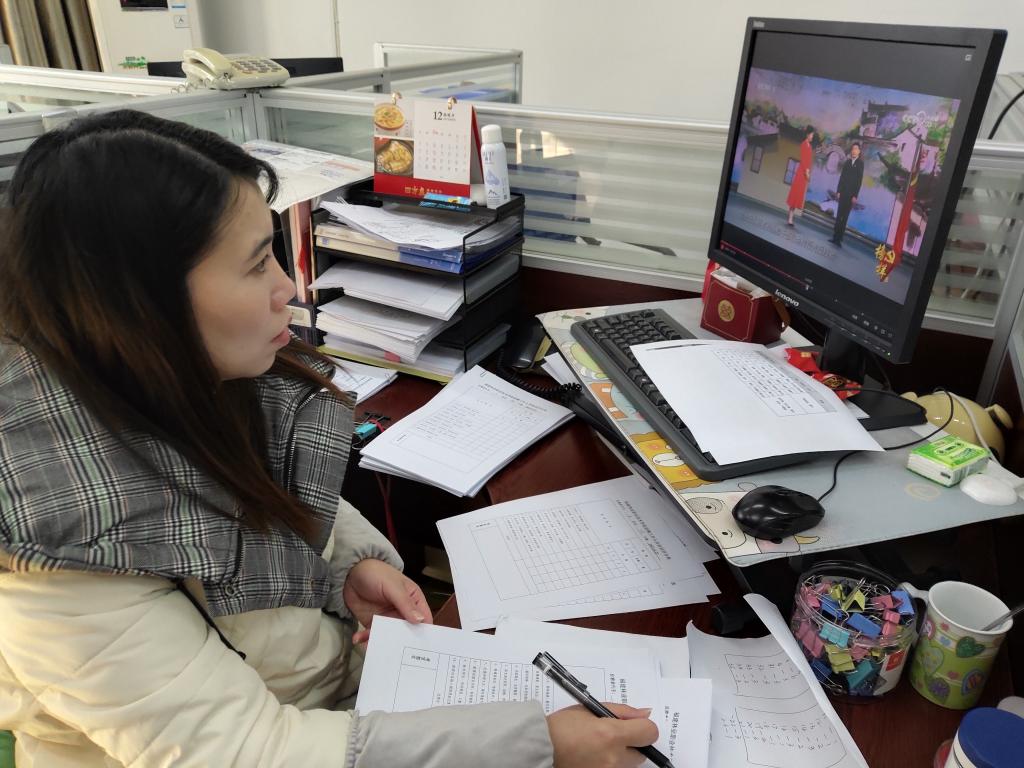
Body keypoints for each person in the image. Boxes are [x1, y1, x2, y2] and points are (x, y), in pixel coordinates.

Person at [0, 111, 659, 767]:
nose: (287, 287)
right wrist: (539, 748)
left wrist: (347, 566)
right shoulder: (60, 551)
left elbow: (261, 494)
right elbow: (251, 754)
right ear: (140, 304)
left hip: (327, 691)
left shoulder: (178, 382)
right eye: (256, 266)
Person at [830, 142, 864, 247]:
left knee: (844, 217)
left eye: (856, 149)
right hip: (843, 193)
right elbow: (842, 177)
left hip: (851, 196)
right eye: (853, 149)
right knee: (839, 215)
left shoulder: (860, 164)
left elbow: (859, 181)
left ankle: (839, 239)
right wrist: (838, 191)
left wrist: (855, 196)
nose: (854, 151)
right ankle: (834, 237)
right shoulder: (847, 162)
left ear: (859, 151)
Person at [786, 126, 815, 226]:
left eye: (813, 135)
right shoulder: (804, 144)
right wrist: (806, 171)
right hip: (801, 172)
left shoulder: (809, 146)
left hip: (805, 173)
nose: (812, 136)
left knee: (798, 194)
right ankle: (790, 218)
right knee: (795, 193)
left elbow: (809, 161)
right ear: (808, 134)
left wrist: (808, 172)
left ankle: (791, 217)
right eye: (811, 134)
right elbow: (803, 159)